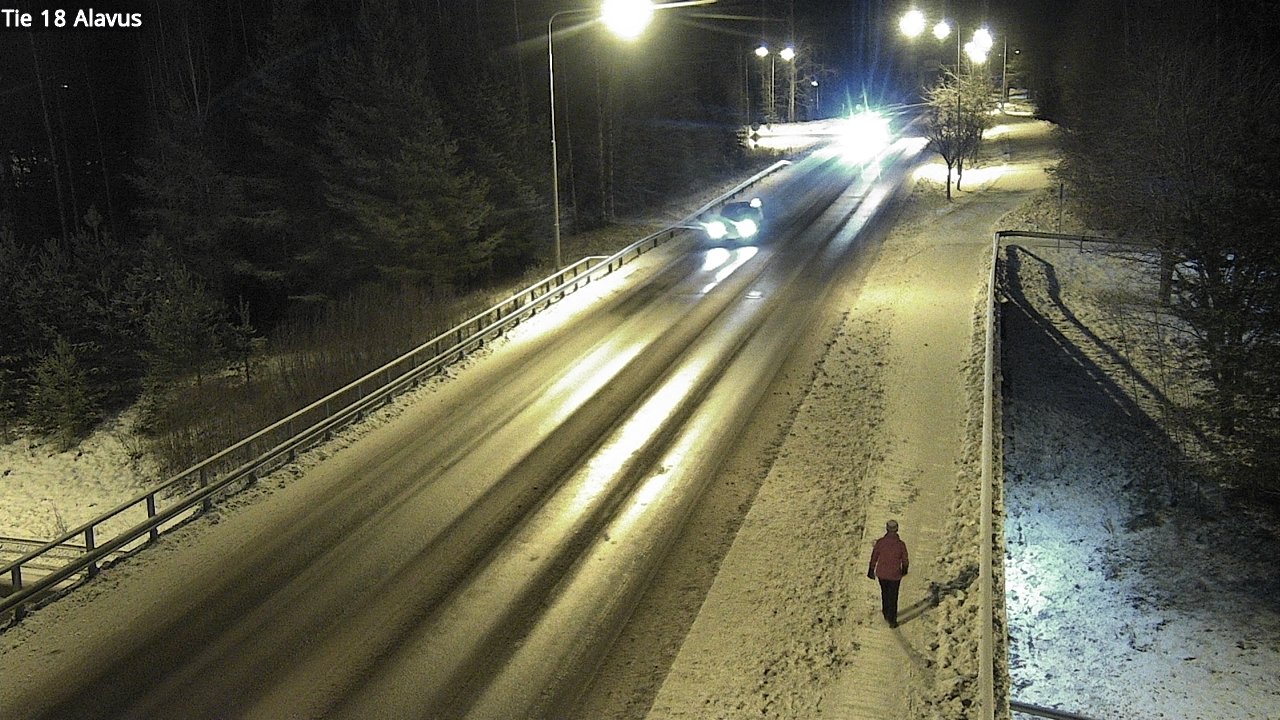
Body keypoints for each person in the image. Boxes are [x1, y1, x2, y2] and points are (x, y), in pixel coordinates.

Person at [867, 519, 909, 628]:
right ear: (897, 529)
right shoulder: (901, 545)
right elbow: (905, 559)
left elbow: (874, 556)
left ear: (887, 529)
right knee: (893, 596)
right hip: (895, 575)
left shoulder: (880, 542)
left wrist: (871, 569)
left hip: (882, 574)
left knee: (885, 594)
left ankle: (886, 613)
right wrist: (904, 569)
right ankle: (892, 620)